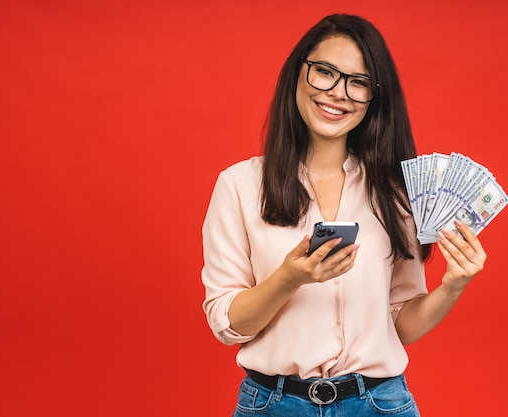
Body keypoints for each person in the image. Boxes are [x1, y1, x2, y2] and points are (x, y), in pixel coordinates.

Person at [201, 14, 486, 416]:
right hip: (275, 406)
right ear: (298, 74)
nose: (338, 93)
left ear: (375, 97)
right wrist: (289, 278)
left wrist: (453, 287)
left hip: (380, 404)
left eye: (358, 82)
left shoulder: (396, 193)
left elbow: (401, 323)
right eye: (325, 72)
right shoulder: (238, 185)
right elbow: (228, 324)